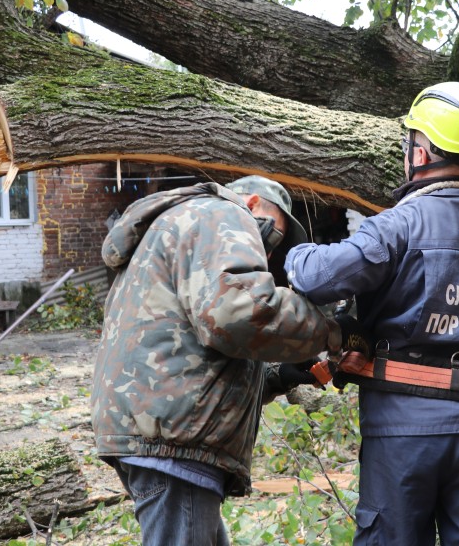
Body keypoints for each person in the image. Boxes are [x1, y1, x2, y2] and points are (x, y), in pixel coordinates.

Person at [285, 82, 459, 545]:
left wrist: (294, 248)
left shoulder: (398, 225)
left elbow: (315, 278)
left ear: (420, 152)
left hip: (407, 431)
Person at [91, 175, 341, 545]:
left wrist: (278, 375)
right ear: (252, 203)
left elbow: (186, 349)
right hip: (173, 441)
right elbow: (236, 314)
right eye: (271, 236)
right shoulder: (223, 212)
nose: (267, 253)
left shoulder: (188, 224)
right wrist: (333, 328)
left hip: (162, 430)